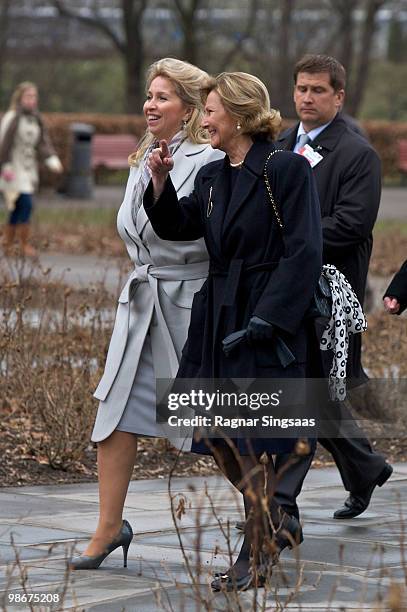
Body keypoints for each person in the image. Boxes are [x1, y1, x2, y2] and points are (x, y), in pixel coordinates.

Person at [145, 71, 323, 591]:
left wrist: (270, 318)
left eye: (211, 110)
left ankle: (257, 550)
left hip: (265, 321)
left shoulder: (286, 169)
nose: (204, 120)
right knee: (217, 436)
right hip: (218, 317)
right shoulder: (212, 177)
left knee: (254, 441)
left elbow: (306, 250)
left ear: (241, 114)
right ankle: (273, 522)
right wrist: (159, 184)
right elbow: (180, 227)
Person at [70, 58, 224, 570]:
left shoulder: (208, 161)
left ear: (188, 109)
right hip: (142, 304)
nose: (150, 105)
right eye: (149, 95)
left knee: (214, 421)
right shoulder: (143, 159)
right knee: (114, 411)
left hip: (189, 306)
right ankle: (109, 527)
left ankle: (271, 511)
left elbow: (193, 232)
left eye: (162, 97)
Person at [274, 54, 392, 521]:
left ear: (339, 96)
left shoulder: (358, 155)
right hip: (284, 291)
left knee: (307, 397)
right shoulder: (281, 145)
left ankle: (278, 506)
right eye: (301, 88)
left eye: (318, 90)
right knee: (313, 395)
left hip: (331, 297)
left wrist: (288, 239)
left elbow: (351, 225)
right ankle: (365, 469)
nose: (306, 97)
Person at [0, 81, 62, 256]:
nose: (32, 100)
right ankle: (23, 244)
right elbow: (4, 143)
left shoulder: (36, 119)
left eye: (34, 96)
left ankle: (7, 242)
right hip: (12, 169)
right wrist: (5, 166)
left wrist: (51, 158)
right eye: (28, 96)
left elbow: (42, 143)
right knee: (25, 203)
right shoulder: (12, 117)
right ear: (19, 98)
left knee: (17, 207)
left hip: (28, 170)